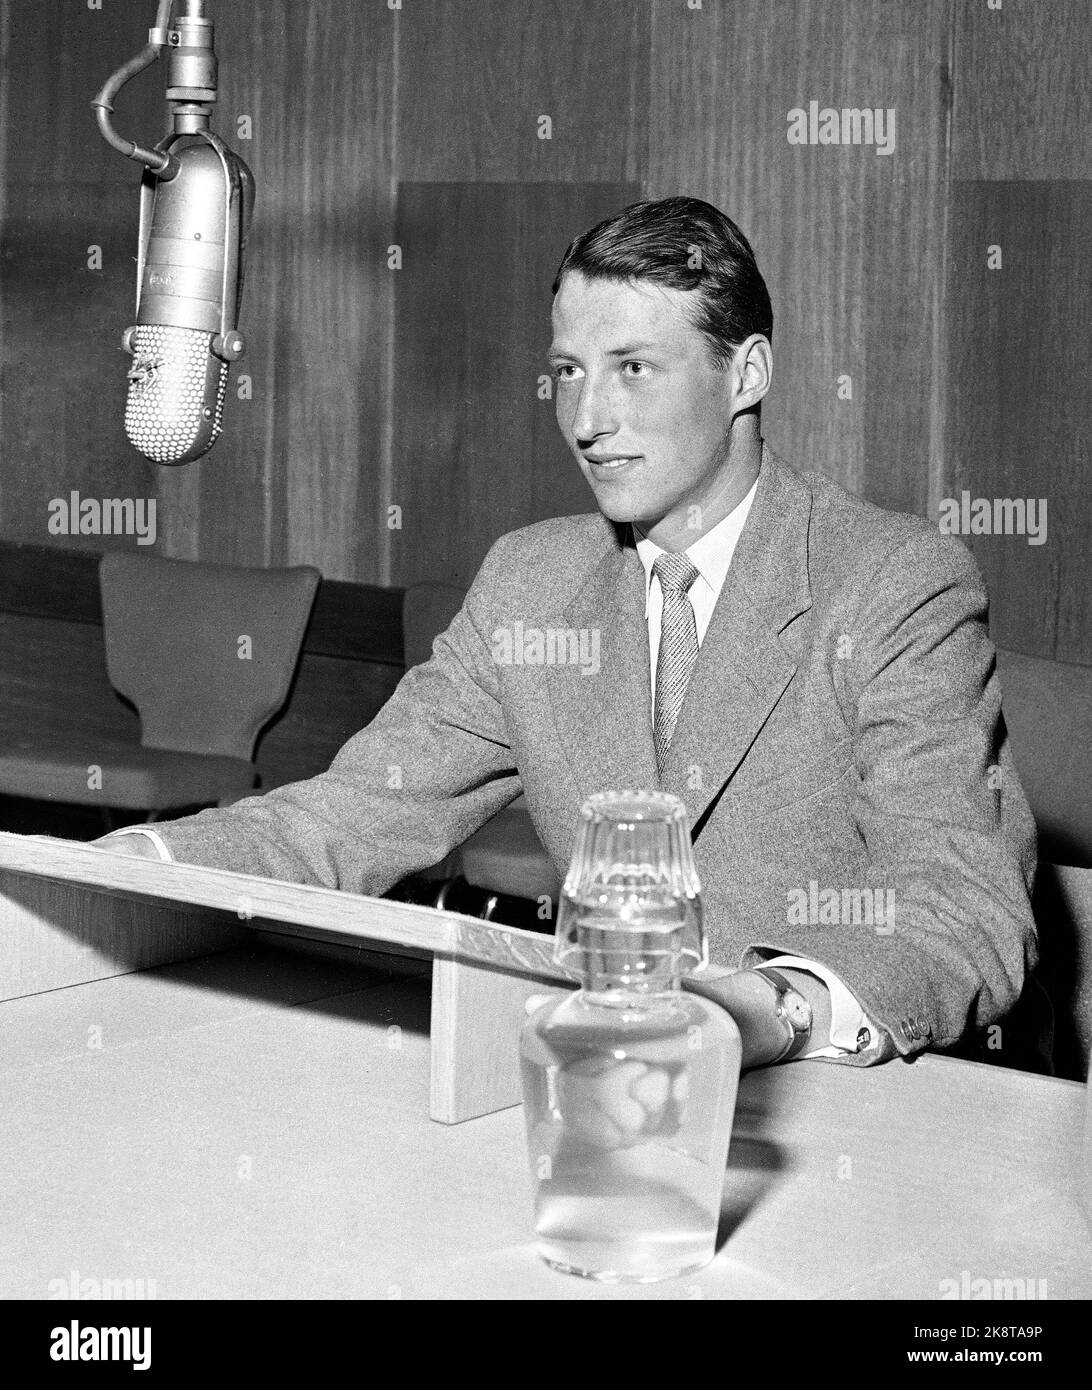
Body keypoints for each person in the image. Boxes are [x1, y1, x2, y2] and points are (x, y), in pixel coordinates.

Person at [98, 195, 1038, 1075]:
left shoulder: (893, 582)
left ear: (746, 373)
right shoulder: (529, 585)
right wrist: (133, 865)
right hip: (596, 1083)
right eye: (568, 373)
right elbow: (351, 814)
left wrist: (767, 1009)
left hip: (835, 1092)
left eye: (634, 368)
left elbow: (964, 907)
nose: (588, 422)